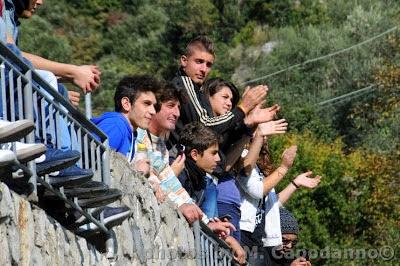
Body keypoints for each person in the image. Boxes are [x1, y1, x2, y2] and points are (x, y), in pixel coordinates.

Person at [134, 81, 234, 236]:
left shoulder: (160, 145)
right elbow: (150, 181)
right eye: (170, 106)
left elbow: (175, 188)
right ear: (155, 107)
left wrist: (206, 223)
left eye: (179, 107)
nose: (177, 113)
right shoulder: (138, 136)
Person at [237, 134, 321, 265]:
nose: (265, 138)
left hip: (256, 237)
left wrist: (295, 184)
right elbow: (257, 190)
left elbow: (271, 204)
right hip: (242, 232)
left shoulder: (259, 168)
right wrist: (284, 167)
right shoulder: (242, 156)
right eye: (260, 132)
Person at [178, 122, 246, 265]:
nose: (219, 159)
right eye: (213, 153)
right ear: (195, 154)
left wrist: (224, 235)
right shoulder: (178, 173)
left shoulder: (201, 179)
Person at [92, 75, 157, 169]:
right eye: (146, 103)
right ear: (126, 104)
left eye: (153, 106)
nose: (153, 111)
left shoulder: (128, 131)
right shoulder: (115, 126)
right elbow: (92, 165)